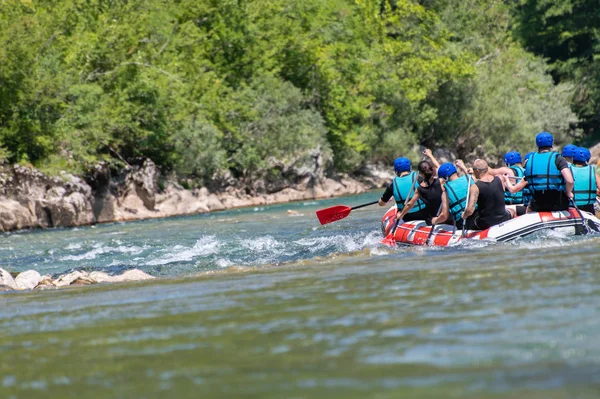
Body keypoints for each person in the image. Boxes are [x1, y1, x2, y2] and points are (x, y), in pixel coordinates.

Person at [504, 132, 574, 211]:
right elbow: (570, 181)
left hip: (538, 204)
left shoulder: (530, 161)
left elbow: (513, 190)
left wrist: (506, 180)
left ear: (537, 145)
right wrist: (568, 193)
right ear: (551, 144)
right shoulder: (558, 158)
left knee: (528, 209)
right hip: (558, 203)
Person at [462, 159, 515, 230]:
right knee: (512, 211)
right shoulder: (500, 178)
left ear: (477, 171)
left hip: (486, 223)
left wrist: (464, 215)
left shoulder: (475, 187)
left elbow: (470, 210)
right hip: (503, 218)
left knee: (473, 219)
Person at [378, 157, 428, 221]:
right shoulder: (419, 177)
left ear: (396, 169)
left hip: (408, 217)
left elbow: (381, 203)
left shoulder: (392, 185)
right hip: (425, 213)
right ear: (409, 167)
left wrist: (386, 199)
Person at [395, 160, 443, 225]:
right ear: (432, 170)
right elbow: (440, 169)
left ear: (420, 173)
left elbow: (410, 204)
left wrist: (401, 214)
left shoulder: (419, 189)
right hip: (445, 216)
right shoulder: (441, 181)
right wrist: (430, 155)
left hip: (431, 220)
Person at [431, 163, 475, 228]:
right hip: (477, 215)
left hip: (463, 222)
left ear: (445, 178)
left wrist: (435, 220)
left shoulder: (446, 190)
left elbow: (444, 216)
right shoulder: (469, 178)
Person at [570, 147, 600, 213]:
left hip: (572, 206)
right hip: (588, 207)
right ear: (587, 158)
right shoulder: (592, 170)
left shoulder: (569, 170)